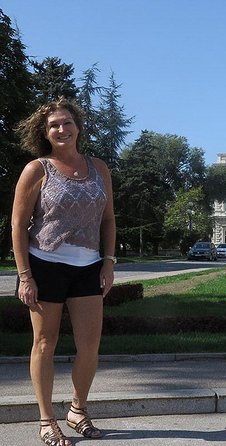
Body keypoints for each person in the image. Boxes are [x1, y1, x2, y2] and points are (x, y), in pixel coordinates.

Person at [12, 97, 116, 446]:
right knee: (45, 342)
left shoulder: (99, 167)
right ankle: (46, 420)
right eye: (54, 124)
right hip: (45, 265)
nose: (61, 129)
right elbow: (18, 224)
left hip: (88, 266)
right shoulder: (37, 169)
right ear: (45, 132)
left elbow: (109, 219)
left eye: (66, 122)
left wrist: (109, 261)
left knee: (90, 346)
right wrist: (25, 276)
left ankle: (77, 409)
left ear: (78, 127)